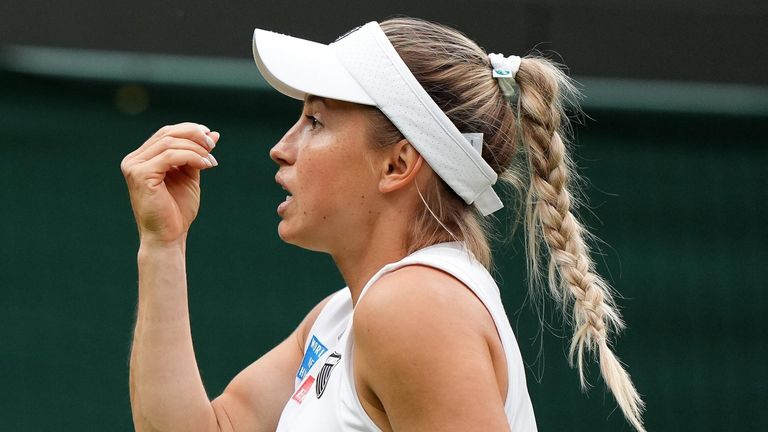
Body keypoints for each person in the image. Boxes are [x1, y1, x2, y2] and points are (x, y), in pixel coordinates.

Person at [121, 17, 644, 432]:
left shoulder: (413, 306)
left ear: (397, 165)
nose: (281, 149)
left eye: (316, 121)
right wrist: (162, 244)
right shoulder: (341, 317)